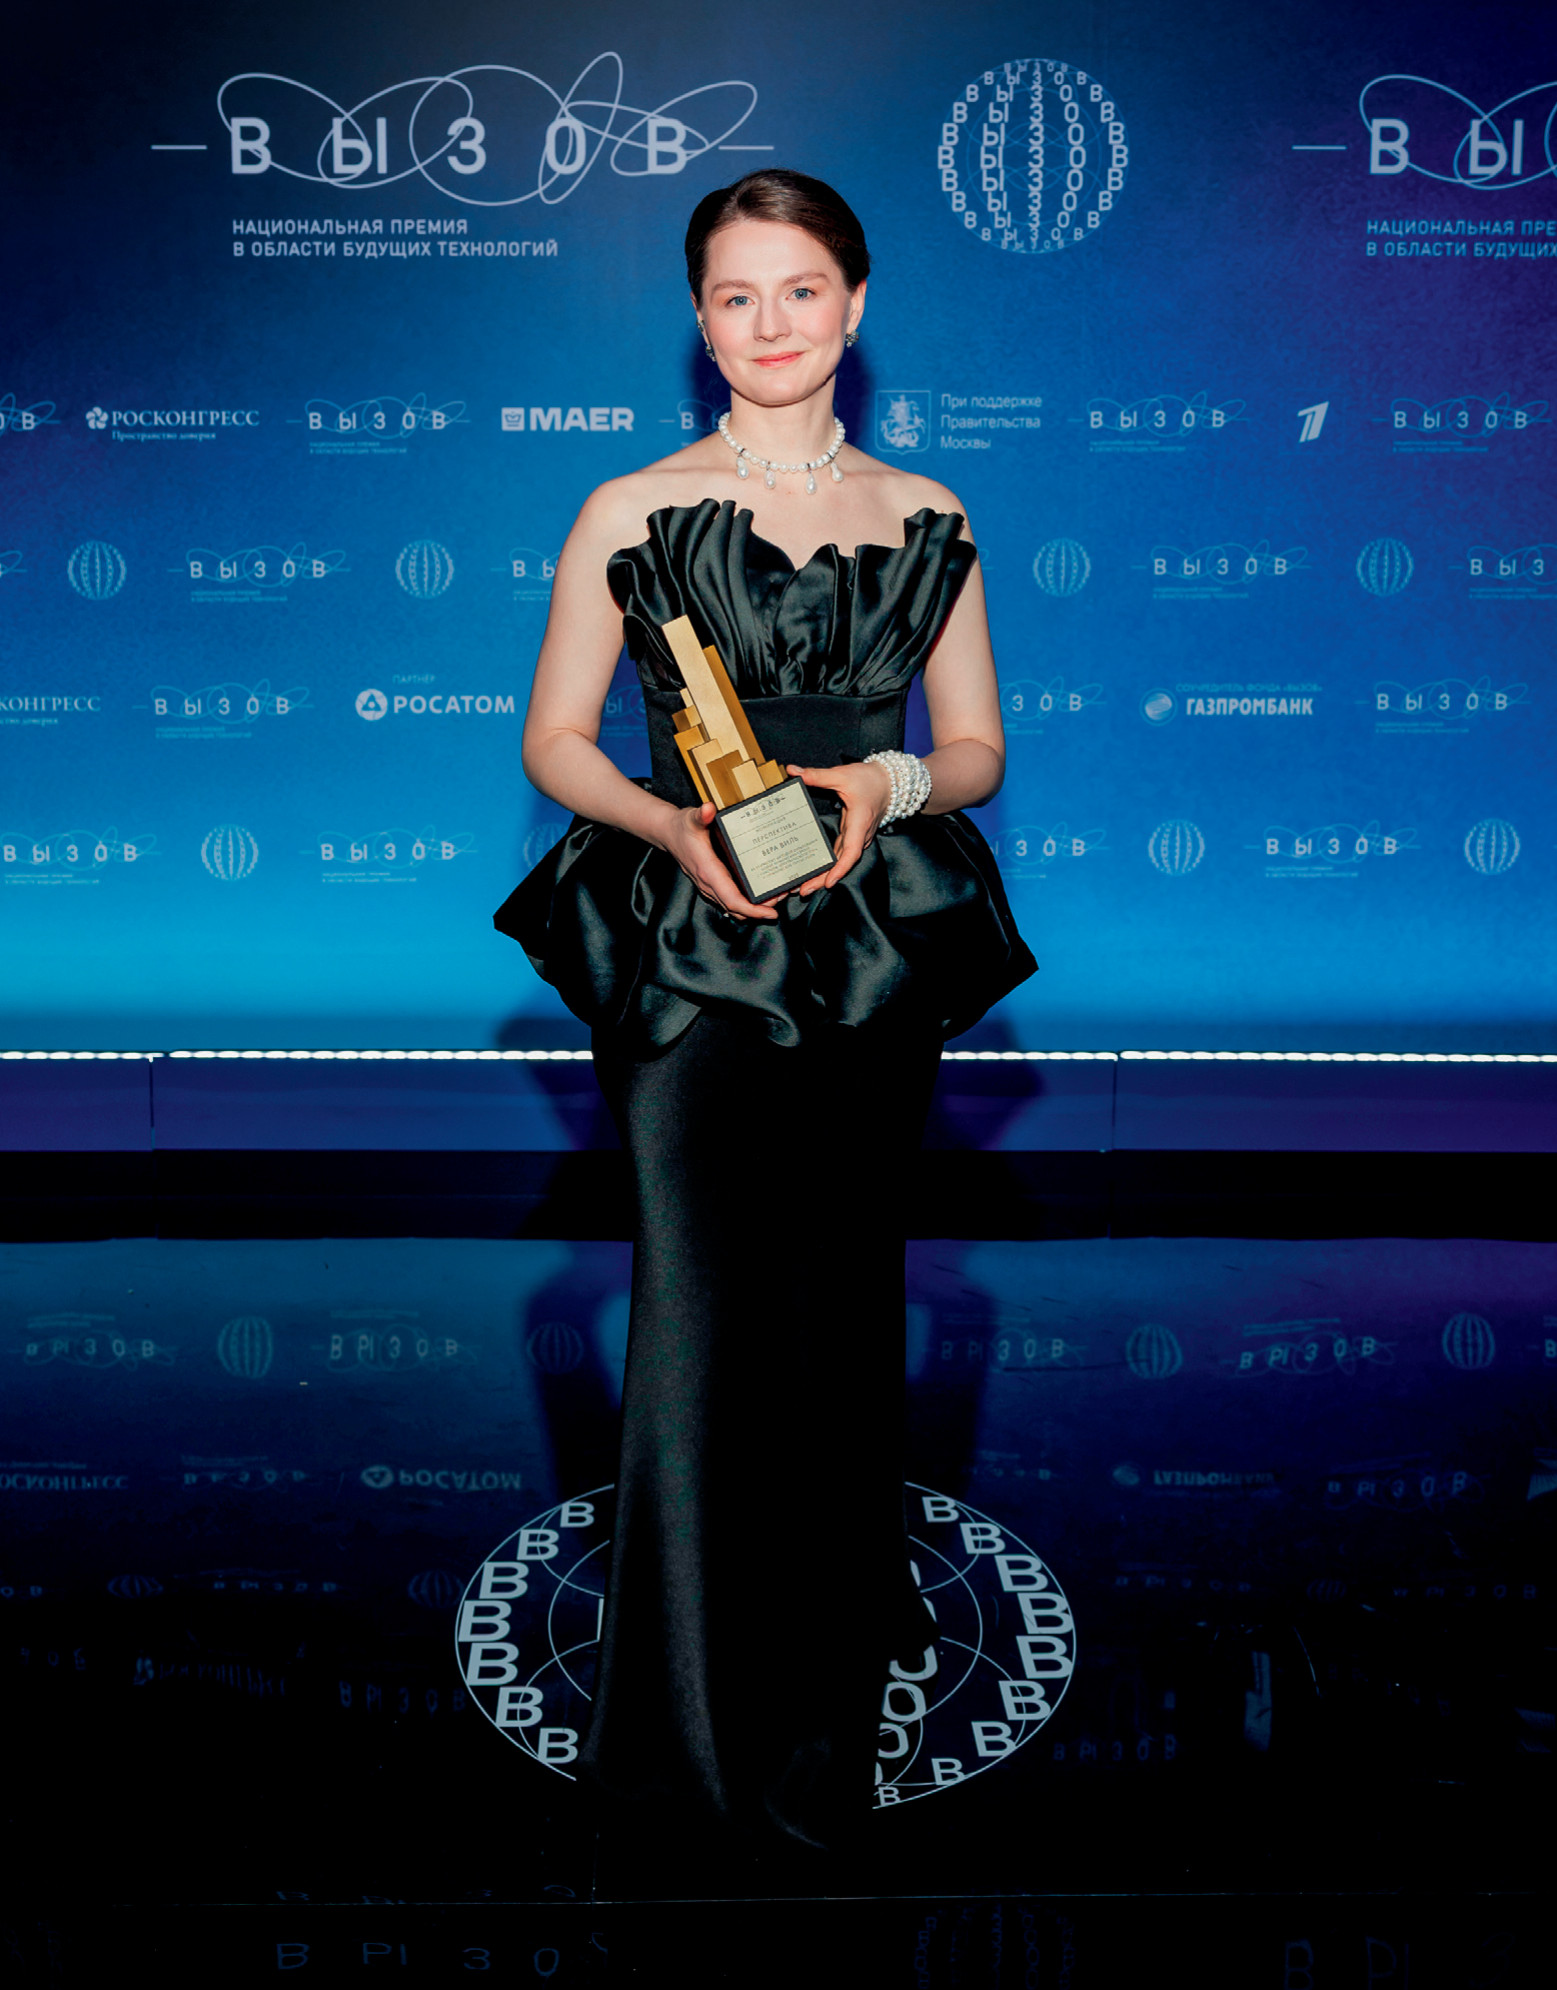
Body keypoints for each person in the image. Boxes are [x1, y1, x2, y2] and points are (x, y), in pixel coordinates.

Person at [498, 169, 1035, 1851]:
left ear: (855, 304)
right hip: (692, 945)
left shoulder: (926, 510)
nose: (769, 323)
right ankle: (680, 1728)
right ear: (698, 318)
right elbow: (556, 741)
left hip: (869, 941)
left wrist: (879, 784)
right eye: (735, 295)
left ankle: (822, 1695)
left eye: (800, 288)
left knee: (839, 1312)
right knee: (699, 1317)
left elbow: (974, 749)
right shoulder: (630, 507)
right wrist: (671, 829)